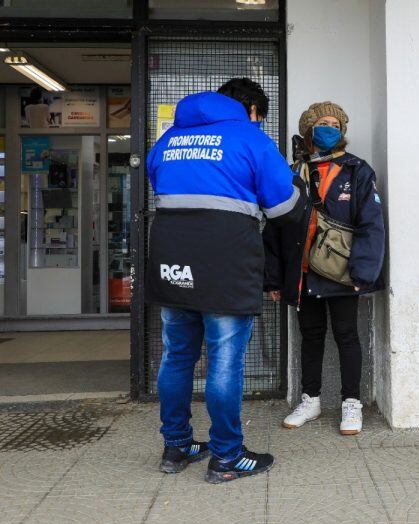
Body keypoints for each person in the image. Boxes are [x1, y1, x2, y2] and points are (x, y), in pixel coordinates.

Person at [145, 78, 305, 484]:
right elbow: (285, 207)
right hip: (225, 263)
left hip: (172, 258)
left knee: (177, 355)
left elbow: (163, 188)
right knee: (225, 360)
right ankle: (227, 456)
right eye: (260, 116)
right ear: (251, 108)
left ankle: (176, 445)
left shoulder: (167, 141)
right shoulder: (250, 139)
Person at [264, 101, 385, 436]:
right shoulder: (291, 173)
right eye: (323, 122)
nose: (330, 127)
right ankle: (311, 399)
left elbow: (371, 224)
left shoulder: (357, 171)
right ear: (309, 129)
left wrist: (364, 272)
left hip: (342, 273)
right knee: (310, 337)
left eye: (335, 123)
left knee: (347, 335)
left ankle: (351, 403)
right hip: (302, 274)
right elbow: (273, 227)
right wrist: (273, 277)